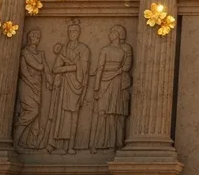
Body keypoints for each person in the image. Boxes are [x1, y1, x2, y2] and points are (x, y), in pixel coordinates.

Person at [46, 20, 90, 154]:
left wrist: (69, 67)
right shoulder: (63, 49)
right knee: (59, 114)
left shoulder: (84, 49)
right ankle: (54, 144)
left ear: (79, 33)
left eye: (75, 31)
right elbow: (55, 69)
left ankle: (71, 145)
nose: (72, 34)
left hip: (76, 86)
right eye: (70, 31)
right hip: (63, 85)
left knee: (73, 115)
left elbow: (83, 69)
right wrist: (72, 67)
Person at [89, 25, 134, 151]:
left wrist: (117, 72)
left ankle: (114, 144)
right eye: (111, 32)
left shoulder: (124, 50)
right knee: (102, 113)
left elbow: (126, 66)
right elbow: (100, 68)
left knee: (114, 113)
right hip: (105, 81)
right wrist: (96, 88)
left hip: (117, 82)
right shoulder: (105, 49)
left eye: (114, 32)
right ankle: (97, 143)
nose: (111, 34)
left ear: (119, 35)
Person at [14, 29, 49, 149]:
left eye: (38, 36)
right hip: (27, 85)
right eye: (33, 35)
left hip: (37, 86)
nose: (36, 37)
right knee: (31, 112)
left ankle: (27, 141)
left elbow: (46, 69)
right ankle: (16, 141)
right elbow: (36, 67)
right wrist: (32, 81)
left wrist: (50, 80)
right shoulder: (25, 52)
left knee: (35, 114)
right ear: (29, 38)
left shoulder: (40, 53)